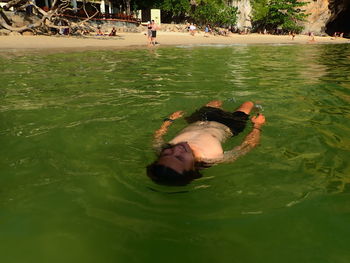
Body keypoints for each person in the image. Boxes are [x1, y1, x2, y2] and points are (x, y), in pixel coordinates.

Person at [147, 100, 266, 186]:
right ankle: (259, 103)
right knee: (248, 104)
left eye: (167, 154)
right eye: (180, 158)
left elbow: (158, 135)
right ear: (193, 169)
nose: (176, 150)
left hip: (200, 119)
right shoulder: (213, 158)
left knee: (216, 102)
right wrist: (257, 125)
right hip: (230, 125)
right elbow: (248, 145)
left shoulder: (160, 148)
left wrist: (170, 120)